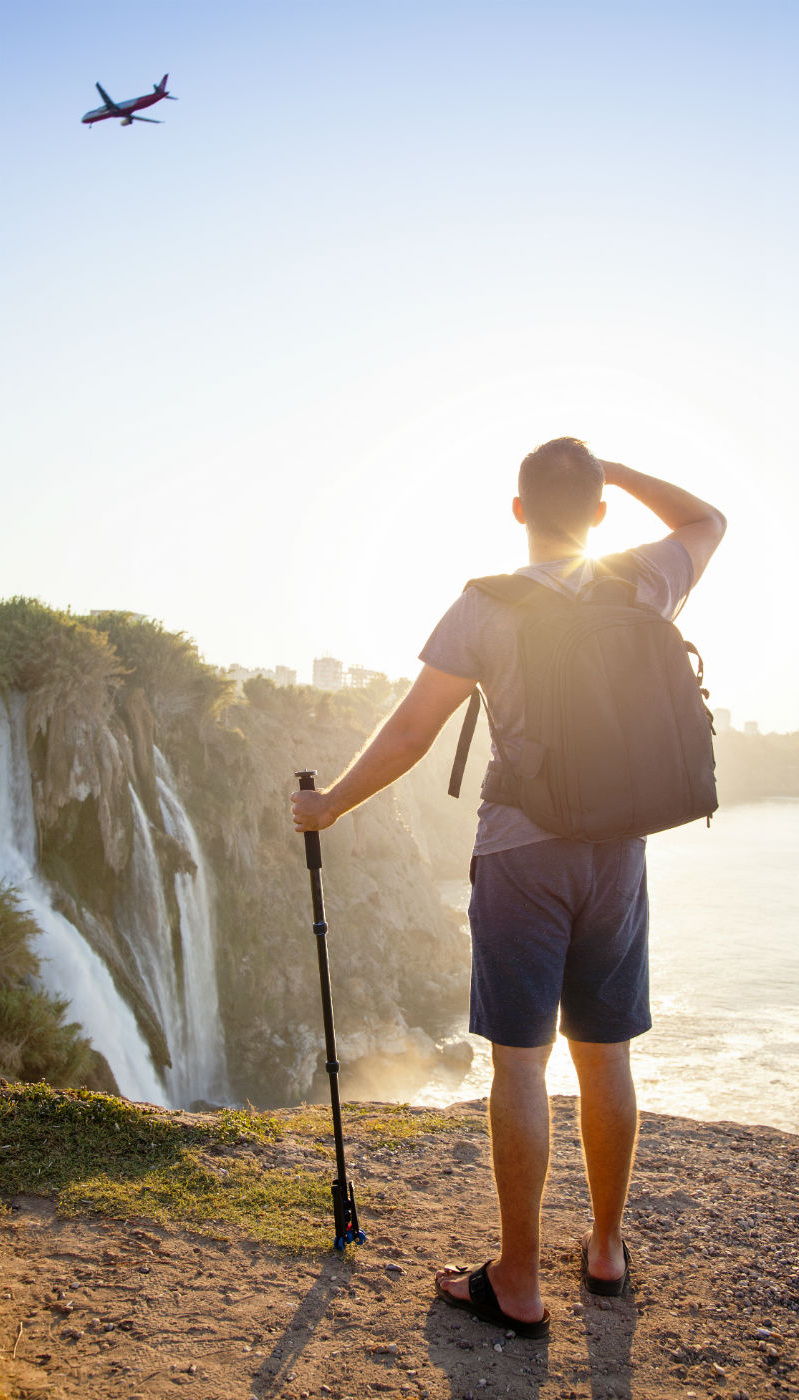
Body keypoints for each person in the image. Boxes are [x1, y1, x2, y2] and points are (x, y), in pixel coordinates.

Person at [291, 437, 726, 1338]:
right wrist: (623, 472)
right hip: (619, 851)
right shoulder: (642, 576)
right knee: (606, 1052)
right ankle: (606, 1251)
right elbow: (708, 520)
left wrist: (331, 804)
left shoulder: (485, 607)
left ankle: (518, 1281)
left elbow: (413, 733)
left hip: (523, 851)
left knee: (520, 1061)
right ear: (601, 513)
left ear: (518, 511)